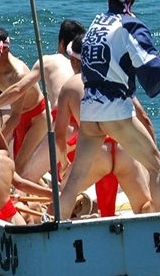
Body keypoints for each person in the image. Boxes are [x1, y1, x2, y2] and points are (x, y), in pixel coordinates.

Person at [56, 0, 160, 218]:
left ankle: (57, 227)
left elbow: (119, 52)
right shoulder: (130, 25)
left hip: (89, 112)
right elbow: (149, 62)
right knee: (156, 165)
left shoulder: (97, 23)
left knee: (74, 180)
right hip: (115, 112)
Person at [51, 38, 154, 217]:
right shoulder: (117, 78)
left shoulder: (70, 86)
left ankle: (59, 230)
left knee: (62, 200)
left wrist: (64, 163)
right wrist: (153, 153)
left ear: (74, 61)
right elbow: (144, 118)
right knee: (143, 205)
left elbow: (59, 135)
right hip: (124, 148)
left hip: (95, 152)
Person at [0, 19, 86, 180]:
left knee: (24, 174)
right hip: (85, 125)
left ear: (61, 43)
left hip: (55, 122)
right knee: (68, 175)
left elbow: (18, 90)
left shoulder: (42, 63)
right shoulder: (77, 69)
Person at [0, 27, 45, 171]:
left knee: (19, 166)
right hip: (17, 112)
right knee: (13, 161)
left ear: (4, 50)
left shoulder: (18, 74)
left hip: (37, 116)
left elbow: (15, 116)